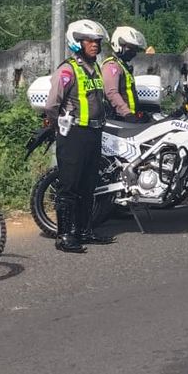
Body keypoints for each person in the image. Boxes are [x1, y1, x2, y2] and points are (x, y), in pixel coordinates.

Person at [43, 19, 113, 253]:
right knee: (69, 186)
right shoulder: (67, 70)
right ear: (77, 43)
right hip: (73, 134)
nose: (95, 45)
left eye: (97, 42)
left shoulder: (96, 69)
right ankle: (64, 236)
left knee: (88, 185)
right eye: (90, 41)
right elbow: (52, 104)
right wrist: (59, 124)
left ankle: (84, 230)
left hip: (94, 132)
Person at [103, 26, 149, 122]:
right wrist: (127, 113)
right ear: (119, 45)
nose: (133, 53)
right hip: (120, 118)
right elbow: (111, 93)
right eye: (131, 48)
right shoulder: (112, 66)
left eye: (135, 49)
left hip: (130, 117)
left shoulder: (123, 65)